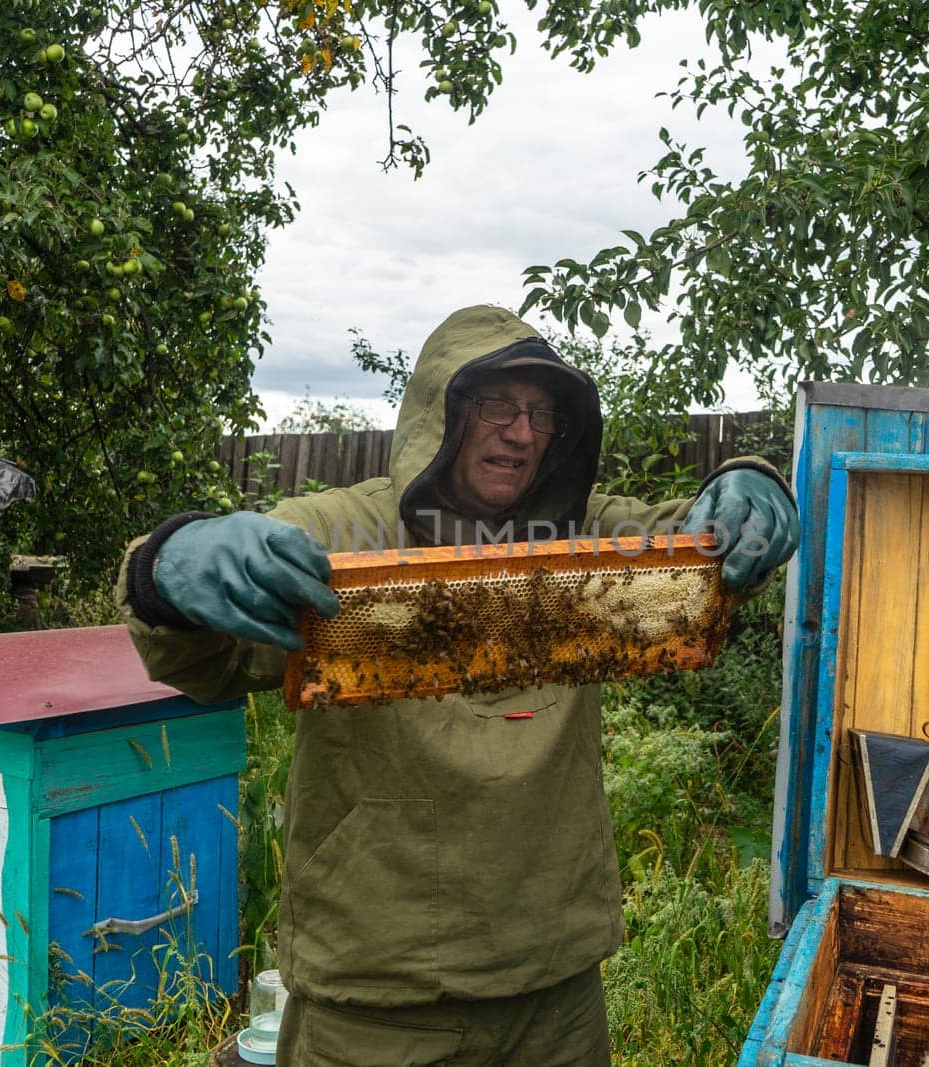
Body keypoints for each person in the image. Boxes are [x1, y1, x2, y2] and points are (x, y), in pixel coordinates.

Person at [116, 305, 800, 1066]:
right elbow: (206, 657)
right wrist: (165, 567)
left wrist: (751, 482)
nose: (522, 431)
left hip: (558, 993)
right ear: (442, 412)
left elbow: (699, 541)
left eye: (542, 413)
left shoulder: (582, 532)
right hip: (379, 1006)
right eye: (497, 405)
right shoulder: (346, 530)